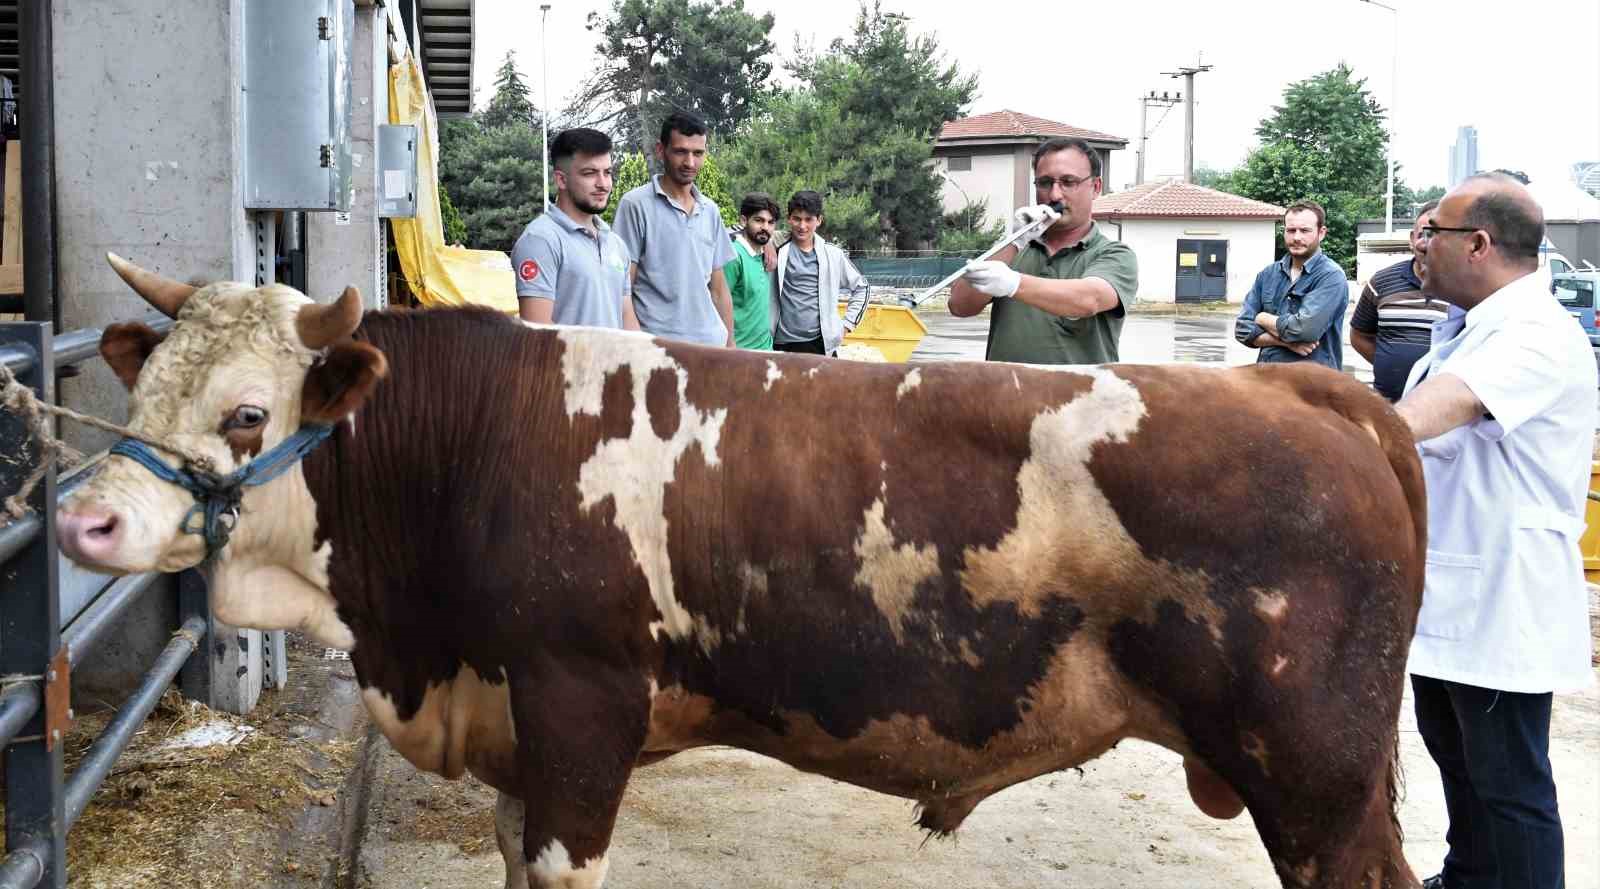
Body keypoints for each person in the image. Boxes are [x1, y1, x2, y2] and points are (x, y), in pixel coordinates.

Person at [1394, 173, 1596, 889]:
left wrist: (1309, 433)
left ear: (1478, 244)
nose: (1421, 247)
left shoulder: (1534, 334)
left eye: (1432, 234)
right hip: (1453, 594)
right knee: (1460, 768)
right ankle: (1467, 876)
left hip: (1502, 603)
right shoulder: (1473, 328)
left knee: (1511, 790)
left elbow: (1420, 418)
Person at [949, 137, 1137, 364]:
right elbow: (959, 305)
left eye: (1068, 182)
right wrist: (1014, 242)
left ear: (1095, 187)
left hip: (1079, 398)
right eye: (1045, 183)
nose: (1055, 195)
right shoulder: (1014, 252)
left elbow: (1090, 299)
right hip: (1007, 397)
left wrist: (1013, 283)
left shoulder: (1114, 254)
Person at [612, 111, 735, 347]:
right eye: (681, 152)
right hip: (659, 352)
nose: (690, 162)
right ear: (661, 150)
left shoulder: (710, 210)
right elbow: (622, 287)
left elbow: (719, 290)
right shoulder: (635, 205)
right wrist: (637, 346)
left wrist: (731, 347)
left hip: (711, 348)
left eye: (698, 153)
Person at [510, 128, 638, 330]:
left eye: (607, 173)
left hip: (616, 362)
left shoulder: (616, 244)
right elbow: (537, 331)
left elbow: (626, 316)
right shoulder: (540, 240)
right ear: (561, 179)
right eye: (590, 173)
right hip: (564, 362)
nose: (603, 184)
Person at [1350, 200, 1452, 400]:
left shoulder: (1466, 287)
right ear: (1412, 239)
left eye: (1437, 235)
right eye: (1422, 234)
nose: (1427, 242)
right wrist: (1387, 365)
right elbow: (1359, 336)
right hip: (1387, 405)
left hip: (1442, 409)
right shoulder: (1381, 281)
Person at [1233, 201, 1348, 369]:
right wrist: (1286, 343)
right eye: (1291, 230)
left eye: (1305, 230)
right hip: (1267, 381)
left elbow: (1304, 331)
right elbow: (1242, 329)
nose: (1297, 237)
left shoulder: (1331, 276)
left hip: (1312, 386)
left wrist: (1262, 318)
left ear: (1321, 233)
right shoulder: (1268, 275)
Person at [770, 190, 870, 356]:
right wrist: (766, 244)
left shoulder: (833, 254)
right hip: (781, 343)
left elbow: (862, 287)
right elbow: (741, 232)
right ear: (789, 218)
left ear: (819, 220)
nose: (802, 226)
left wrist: (846, 326)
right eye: (797, 219)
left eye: (808, 219)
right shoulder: (777, 246)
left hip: (821, 344)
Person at [724, 192, 779, 350]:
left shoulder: (765, 257)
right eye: (759, 220)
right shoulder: (733, 256)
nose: (765, 227)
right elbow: (717, 303)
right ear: (743, 220)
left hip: (765, 350)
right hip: (738, 354)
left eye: (770, 222)